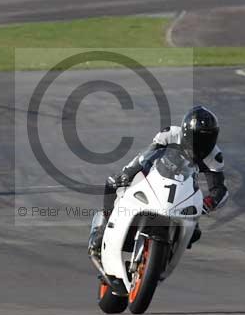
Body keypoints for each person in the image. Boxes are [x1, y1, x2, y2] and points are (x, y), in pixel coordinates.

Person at [88, 105, 229, 258]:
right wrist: (128, 173)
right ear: (187, 133)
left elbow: (219, 190)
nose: (203, 142)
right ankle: (102, 230)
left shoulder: (214, 156)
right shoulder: (170, 135)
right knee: (113, 184)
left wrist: (207, 203)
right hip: (155, 177)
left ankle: (165, 257)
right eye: (199, 137)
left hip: (184, 191)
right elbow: (145, 156)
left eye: (208, 138)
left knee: (194, 233)